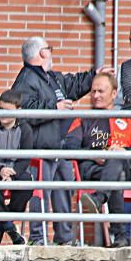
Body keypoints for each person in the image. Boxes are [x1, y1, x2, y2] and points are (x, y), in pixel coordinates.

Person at [11, 35, 106, 246]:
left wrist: (94, 77)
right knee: (40, 193)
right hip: (40, 150)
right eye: (49, 48)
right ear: (42, 53)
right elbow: (26, 111)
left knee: (64, 191)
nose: (51, 53)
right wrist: (55, 108)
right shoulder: (26, 79)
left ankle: (65, 238)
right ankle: (38, 238)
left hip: (58, 147)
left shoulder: (50, 77)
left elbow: (71, 84)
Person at [64, 73, 131, 247]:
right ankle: (121, 236)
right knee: (118, 175)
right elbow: (69, 148)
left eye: (101, 91)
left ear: (114, 93)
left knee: (117, 164)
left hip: (124, 167)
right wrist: (94, 155)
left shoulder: (127, 119)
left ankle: (99, 197)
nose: (96, 96)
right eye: (93, 91)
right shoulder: (83, 118)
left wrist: (123, 151)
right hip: (92, 169)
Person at [0, 89, 33, 245]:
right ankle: (10, 228)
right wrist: (1, 170)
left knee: (26, 181)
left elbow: (25, 160)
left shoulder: (26, 130)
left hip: (16, 170)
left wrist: (12, 174)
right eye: (0, 109)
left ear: (18, 111)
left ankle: (2, 226)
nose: (2, 114)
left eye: (8, 111)